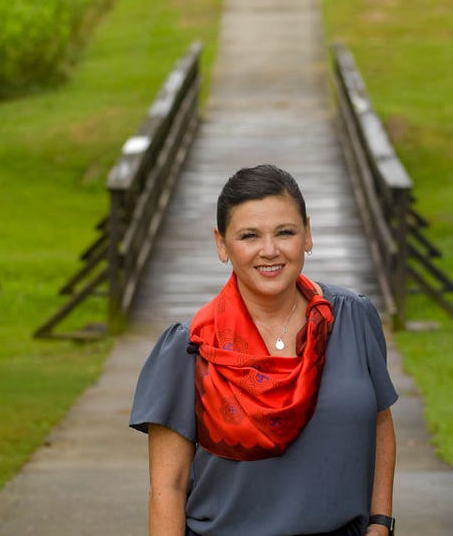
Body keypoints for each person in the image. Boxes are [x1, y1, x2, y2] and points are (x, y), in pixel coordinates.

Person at [130, 164, 398, 536]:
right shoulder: (190, 346)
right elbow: (167, 488)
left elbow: (380, 421)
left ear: (307, 234)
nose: (269, 251)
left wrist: (380, 523)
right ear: (222, 244)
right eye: (249, 236)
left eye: (285, 232)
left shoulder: (352, 318)